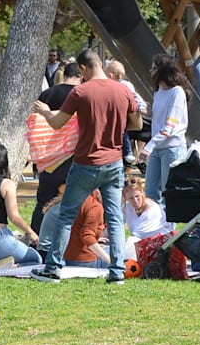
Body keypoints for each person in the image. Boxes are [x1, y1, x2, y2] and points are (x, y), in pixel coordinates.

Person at [30, 49, 142, 284]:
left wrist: (45, 112)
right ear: (100, 64)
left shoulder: (80, 92)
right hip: (113, 162)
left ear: (82, 68)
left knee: (66, 216)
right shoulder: (123, 90)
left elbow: (57, 123)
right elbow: (136, 123)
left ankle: (52, 269)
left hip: (85, 163)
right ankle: (117, 272)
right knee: (113, 218)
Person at [29, 64, 81, 235]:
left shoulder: (47, 94)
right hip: (70, 155)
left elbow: (35, 123)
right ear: (80, 75)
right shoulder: (80, 95)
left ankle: (37, 236)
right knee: (73, 200)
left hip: (47, 157)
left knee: (43, 200)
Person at [140, 54, 188, 206]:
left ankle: (169, 227)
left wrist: (148, 147)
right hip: (157, 149)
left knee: (169, 192)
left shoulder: (177, 92)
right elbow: (159, 119)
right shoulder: (158, 92)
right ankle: (155, 226)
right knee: (150, 191)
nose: (150, 71)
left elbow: (169, 127)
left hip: (172, 149)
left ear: (163, 71)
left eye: (154, 68)